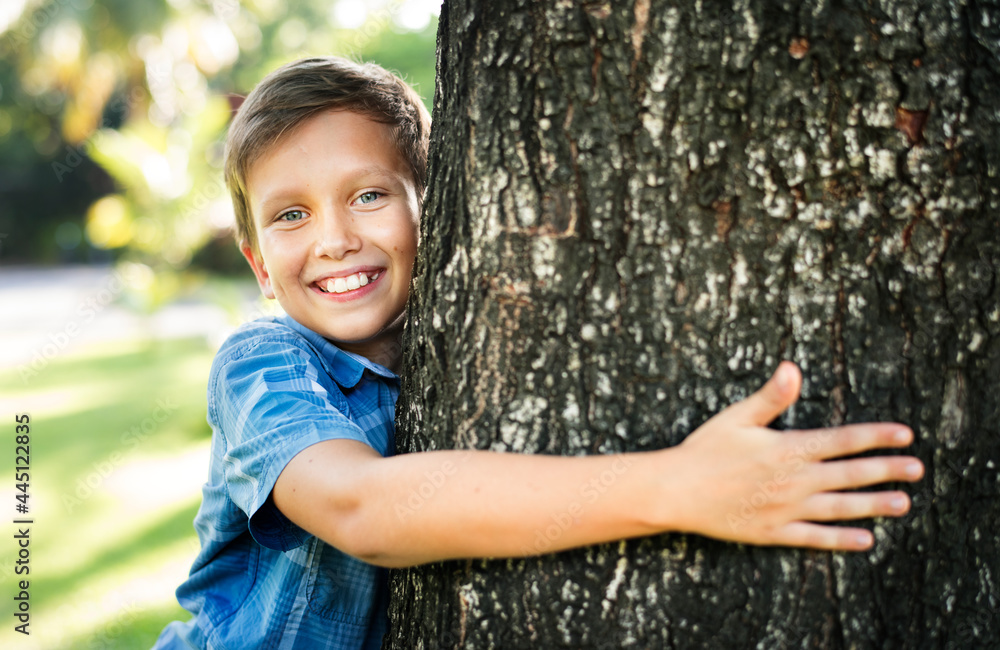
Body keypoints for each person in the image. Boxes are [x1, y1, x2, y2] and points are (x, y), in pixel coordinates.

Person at [153, 57, 924, 649]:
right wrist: (679, 488)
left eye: (369, 195)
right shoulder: (264, 364)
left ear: (442, 210)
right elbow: (364, 509)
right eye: (291, 214)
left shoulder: (457, 344)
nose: (334, 239)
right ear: (258, 265)